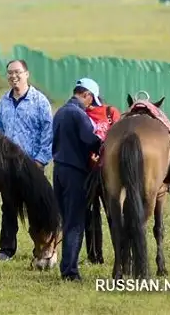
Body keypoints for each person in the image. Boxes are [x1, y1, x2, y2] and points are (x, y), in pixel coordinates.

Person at [0, 59, 54, 261]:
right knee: (8, 207)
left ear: (26, 74)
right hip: (8, 165)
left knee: (35, 208)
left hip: (32, 165)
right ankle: (6, 249)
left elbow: (48, 133)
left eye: (17, 72)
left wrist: (40, 161)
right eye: (10, 73)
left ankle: (41, 248)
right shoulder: (4, 101)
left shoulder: (40, 101)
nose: (13, 76)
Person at [52, 78, 105, 281]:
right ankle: (70, 272)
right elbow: (91, 140)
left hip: (58, 171)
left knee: (66, 220)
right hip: (75, 173)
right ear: (87, 95)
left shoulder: (60, 112)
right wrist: (103, 146)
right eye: (91, 101)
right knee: (75, 223)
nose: (91, 105)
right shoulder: (79, 114)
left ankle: (66, 265)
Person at [84, 96, 121, 264]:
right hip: (87, 172)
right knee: (90, 216)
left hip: (108, 173)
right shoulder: (81, 114)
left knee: (113, 214)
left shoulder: (110, 112)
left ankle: (120, 253)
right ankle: (94, 256)